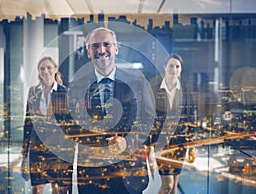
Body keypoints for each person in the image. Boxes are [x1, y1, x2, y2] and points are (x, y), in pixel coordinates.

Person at [67, 27, 155, 194]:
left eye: (106, 44)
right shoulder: (76, 86)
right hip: (91, 175)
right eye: (95, 46)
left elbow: (149, 121)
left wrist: (128, 142)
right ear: (88, 52)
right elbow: (68, 131)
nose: (101, 50)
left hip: (128, 173)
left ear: (116, 48)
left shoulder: (137, 81)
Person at [20, 56, 73, 194]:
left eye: (49, 67)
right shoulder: (33, 92)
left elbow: (69, 126)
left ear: (55, 69)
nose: (46, 71)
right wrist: (24, 153)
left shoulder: (65, 93)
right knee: (37, 189)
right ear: (38, 72)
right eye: (42, 68)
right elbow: (28, 123)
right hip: (37, 148)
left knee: (58, 188)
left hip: (58, 148)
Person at [149, 53, 196, 194]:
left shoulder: (186, 91)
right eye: (171, 65)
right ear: (164, 67)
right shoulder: (155, 90)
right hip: (162, 144)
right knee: (167, 185)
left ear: (181, 69)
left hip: (180, 143)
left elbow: (191, 118)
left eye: (177, 66)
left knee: (174, 186)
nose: (174, 69)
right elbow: (149, 117)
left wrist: (192, 145)